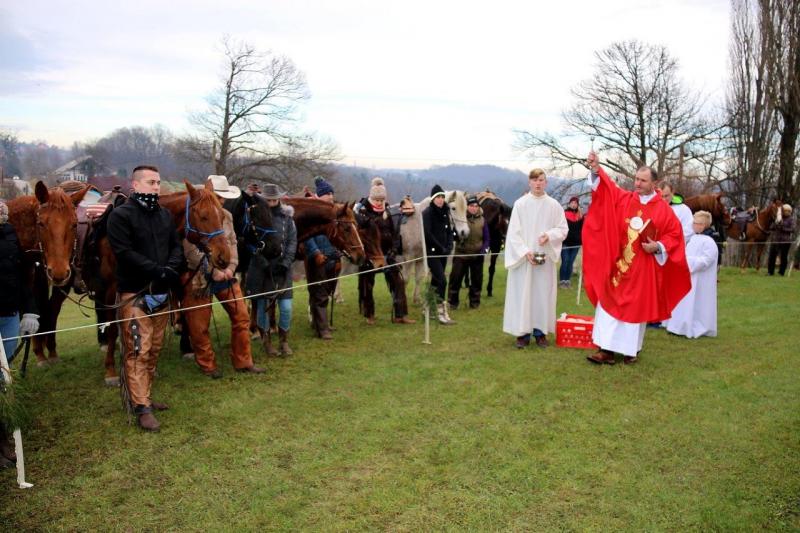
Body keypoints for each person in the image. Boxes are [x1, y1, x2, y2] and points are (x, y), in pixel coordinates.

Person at [582, 152, 690, 365]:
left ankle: (631, 350)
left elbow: (674, 235)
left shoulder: (663, 210)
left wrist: (657, 246)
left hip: (642, 266)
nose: (637, 184)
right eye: (636, 179)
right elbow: (608, 189)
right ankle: (605, 350)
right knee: (610, 302)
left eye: (643, 181)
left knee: (634, 306)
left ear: (654, 183)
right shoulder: (625, 199)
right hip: (620, 262)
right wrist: (597, 169)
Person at [106, 165, 184, 431]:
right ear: (136, 185)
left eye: (158, 182)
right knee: (138, 350)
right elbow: (124, 252)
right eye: (151, 182)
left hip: (162, 293)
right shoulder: (120, 216)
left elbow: (175, 246)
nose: (156, 186)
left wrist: (171, 270)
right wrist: (158, 271)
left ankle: (145, 397)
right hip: (134, 294)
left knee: (155, 349)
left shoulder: (163, 215)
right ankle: (141, 408)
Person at [182, 175, 266, 378]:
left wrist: (231, 267)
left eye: (222, 197)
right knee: (199, 325)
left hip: (227, 276)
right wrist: (213, 271)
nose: (222, 201)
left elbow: (232, 243)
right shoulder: (193, 214)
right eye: (219, 196)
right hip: (198, 279)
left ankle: (243, 361)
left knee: (242, 317)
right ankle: (207, 365)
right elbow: (190, 250)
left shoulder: (226, 215)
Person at [502, 169, 568, 348]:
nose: (538, 184)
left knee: (541, 296)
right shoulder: (520, 204)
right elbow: (513, 233)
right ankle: (523, 334)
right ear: (529, 183)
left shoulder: (554, 205)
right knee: (523, 295)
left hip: (544, 259)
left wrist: (549, 235)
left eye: (541, 180)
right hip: (525, 260)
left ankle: (540, 333)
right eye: (534, 180)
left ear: (546, 183)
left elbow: (563, 229)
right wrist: (525, 251)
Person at [0, 199, 40, 466]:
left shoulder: (10, 236)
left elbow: (20, 276)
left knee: (5, 379)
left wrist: (29, 311)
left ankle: (3, 435)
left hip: (10, 316)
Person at [355, 177, 416, 325]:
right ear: (371, 198)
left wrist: (393, 251)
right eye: (377, 200)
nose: (379, 203)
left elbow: (394, 233)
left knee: (398, 282)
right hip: (370, 255)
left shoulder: (387, 212)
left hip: (388, 254)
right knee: (367, 285)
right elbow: (361, 236)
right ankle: (369, 315)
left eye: (382, 200)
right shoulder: (362, 212)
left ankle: (400, 315)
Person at [246, 183, 297, 356]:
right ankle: (266, 341)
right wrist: (260, 259)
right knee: (262, 306)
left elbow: (292, 242)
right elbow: (248, 241)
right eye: (268, 199)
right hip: (262, 268)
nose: (272, 202)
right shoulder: (254, 215)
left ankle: (284, 341)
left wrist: (287, 262)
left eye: (274, 199)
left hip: (283, 268)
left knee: (286, 307)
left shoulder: (287, 218)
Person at [665, 211, 718, 338]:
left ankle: (697, 326)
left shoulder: (709, 242)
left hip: (700, 280)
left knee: (698, 303)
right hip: (688, 276)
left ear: (703, 225)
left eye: (696, 223)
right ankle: (680, 326)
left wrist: (687, 262)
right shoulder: (694, 238)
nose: (693, 225)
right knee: (685, 301)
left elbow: (706, 260)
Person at [303, 176, 341, 339]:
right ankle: (322, 329)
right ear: (320, 196)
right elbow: (307, 236)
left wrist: (337, 256)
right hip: (316, 257)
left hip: (331, 257)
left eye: (332, 193)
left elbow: (336, 237)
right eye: (327, 194)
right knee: (318, 292)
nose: (331, 196)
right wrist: (316, 253)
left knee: (326, 291)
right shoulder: (312, 213)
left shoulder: (333, 215)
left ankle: (319, 323)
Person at [447, 195, 489, 310]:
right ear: (467, 207)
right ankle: (452, 303)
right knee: (455, 280)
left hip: (477, 255)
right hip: (461, 254)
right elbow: (453, 234)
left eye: (476, 206)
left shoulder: (483, 220)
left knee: (476, 282)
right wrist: (455, 236)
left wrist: (484, 250)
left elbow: (486, 239)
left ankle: (474, 304)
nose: (474, 208)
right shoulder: (461, 218)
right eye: (471, 206)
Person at [423, 184, 456, 325]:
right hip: (433, 253)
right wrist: (441, 247)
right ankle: (441, 312)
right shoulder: (427, 213)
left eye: (442, 197)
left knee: (436, 281)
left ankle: (428, 309)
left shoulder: (445, 212)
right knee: (442, 281)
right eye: (438, 197)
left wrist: (449, 246)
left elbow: (449, 231)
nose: (441, 200)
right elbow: (428, 233)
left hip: (443, 253)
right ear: (433, 198)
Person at [559, 196, 583, 288]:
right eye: (572, 203)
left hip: (576, 243)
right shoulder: (564, 214)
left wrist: (581, 239)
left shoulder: (580, 216)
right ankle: (562, 281)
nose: (574, 204)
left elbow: (583, 229)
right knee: (565, 261)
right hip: (565, 242)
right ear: (569, 204)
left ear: (577, 205)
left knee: (570, 262)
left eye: (575, 203)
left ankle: (567, 281)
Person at [767, 204, 795, 276]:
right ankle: (770, 272)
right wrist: (775, 224)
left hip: (785, 241)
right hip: (775, 240)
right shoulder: (778, 218)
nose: (786, 212)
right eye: (784, 211)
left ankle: (781, 272)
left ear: (790, 212)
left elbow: (792, 229)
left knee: (783, 257)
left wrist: (783, 228)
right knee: (772, 256)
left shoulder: (791, 219)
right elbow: (771, 227)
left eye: (787, 211)